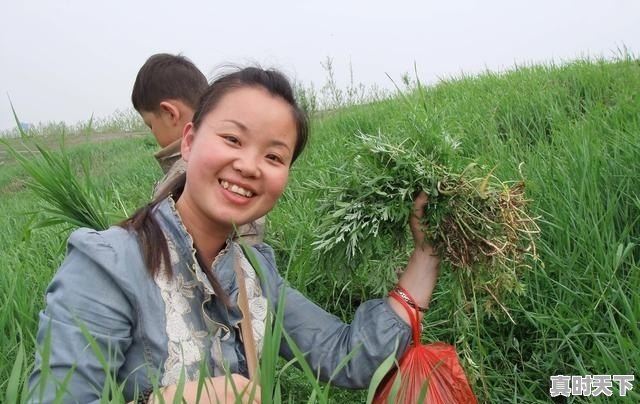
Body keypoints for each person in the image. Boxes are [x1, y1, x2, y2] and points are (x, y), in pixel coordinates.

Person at [28, 67, 441, 403]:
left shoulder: (256, 272)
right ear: (188, 141)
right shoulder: (106, 265)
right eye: (232, 138)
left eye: (274, 156)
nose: (249, 165)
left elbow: (347, 356)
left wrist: (426, 253)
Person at [131, 53, 264, 243]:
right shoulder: (236, 158)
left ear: (170, 113)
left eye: (151, 125)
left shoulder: (187, 172)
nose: (153, 133)